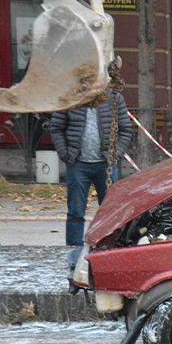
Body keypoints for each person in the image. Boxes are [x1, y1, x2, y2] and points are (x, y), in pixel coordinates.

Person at [50, 89, 132, 247]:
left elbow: (125, 129)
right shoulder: (70, 97)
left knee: (110, 213)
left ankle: (108, 249)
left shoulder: (113, 98)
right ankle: (74, 251)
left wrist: (116, 155)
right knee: (76, 212)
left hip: (106, 164)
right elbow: (56, 128)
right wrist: (65, 154)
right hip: (78, 164)